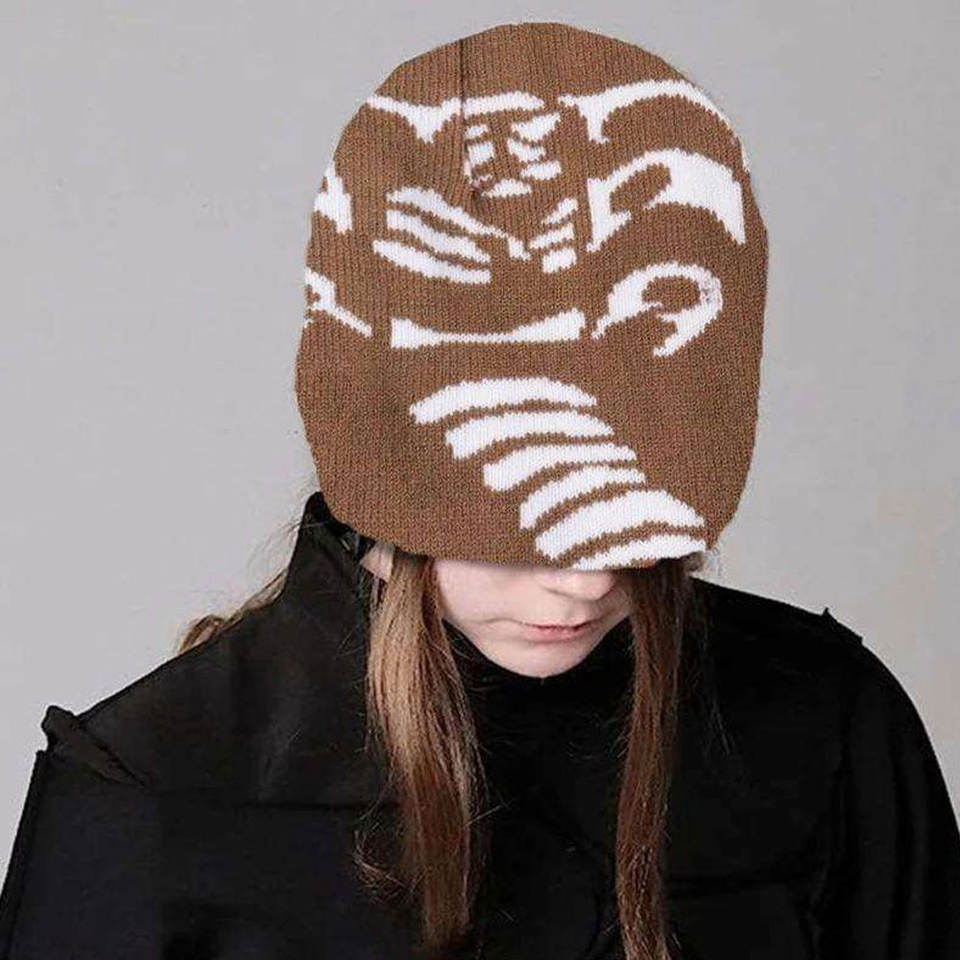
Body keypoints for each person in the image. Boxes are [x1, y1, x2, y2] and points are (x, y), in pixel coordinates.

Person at [2, 19, 959, 960]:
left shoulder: (824, 722)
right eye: (525, 504)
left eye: (641, 511)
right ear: (384, 441)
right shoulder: (153, 787)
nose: (589, 580)